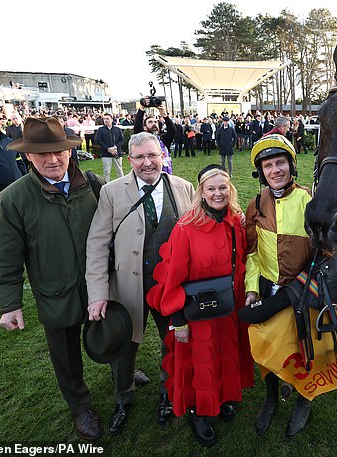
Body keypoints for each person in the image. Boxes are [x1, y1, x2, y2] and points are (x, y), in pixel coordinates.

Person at [0, 117, 103, 441]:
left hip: (99, 286)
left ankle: (122, 375)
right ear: (28, 156)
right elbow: (4, 256)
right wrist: (9, 304)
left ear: (69, 151)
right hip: (56, 291)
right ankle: (80, 405)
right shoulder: (12, 199)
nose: (53, 160)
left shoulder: (91, 183)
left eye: (58, 152)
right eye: (42, 155)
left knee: (114, 334)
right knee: (65, 355)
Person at [86, 132, 195, 435]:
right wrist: (97, 294)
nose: (148, 163)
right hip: (126, 285)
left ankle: (168, 392)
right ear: (130, 159)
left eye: (153, 155)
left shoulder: (184, 188)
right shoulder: (111, 191)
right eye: (140, 157)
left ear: (162, 156)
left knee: (173, 342)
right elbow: (97, 244)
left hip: (171, 289)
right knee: (124, 347)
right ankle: (123, 397)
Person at [146, 165, 254, 447]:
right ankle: (198, 413)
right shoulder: (186, 228)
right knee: (201, 361)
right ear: (201, 192)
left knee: (225, 354)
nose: (218, 193)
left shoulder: (234, 222)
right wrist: (178, 319)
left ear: (229, 190)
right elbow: (172, 278)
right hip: (198, 314)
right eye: (211, 188)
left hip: (228, 311)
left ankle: (223, 398)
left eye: (223, 188)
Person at [243, 134, 315, 437]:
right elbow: (253, 254)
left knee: (305, 350)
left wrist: (303, 285)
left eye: (280, 163)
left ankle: (304, 399)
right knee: (269, 348)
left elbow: (326, 253)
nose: (275, 170)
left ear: (291, 166)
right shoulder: (256, 204)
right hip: (269, 290)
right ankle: (271, 398)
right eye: (268, 165)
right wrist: (251, 288)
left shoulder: (311, 201)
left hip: (303, 292)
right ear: (261, 172)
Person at [134, 100, 175, 173]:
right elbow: (137, 128)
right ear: (145, 127)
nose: (154, 124)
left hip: (165, 175)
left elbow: (172, 131)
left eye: (155, 122)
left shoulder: (163, 140)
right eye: (150, 122)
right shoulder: (142, 141)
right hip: (148, 174)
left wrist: (165, 115)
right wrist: (141, 109)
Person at [95, 113, 124, 182]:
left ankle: (123, 184)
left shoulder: (117, 129)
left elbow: (121, 140)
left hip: (117, 153)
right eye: (104, 119)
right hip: (106, 154)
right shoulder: (101, 130)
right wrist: (108, 149)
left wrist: (115, 147)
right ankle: (106, 186)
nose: (105, 120)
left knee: (119, 170)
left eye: (107, 119)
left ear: (112, 119)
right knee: (106, 172)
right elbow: (99, 141)